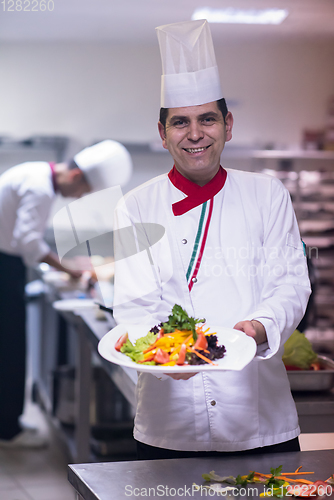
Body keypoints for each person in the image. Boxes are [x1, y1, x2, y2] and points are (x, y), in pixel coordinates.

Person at [113, 20, 311, 460]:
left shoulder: (267, 194)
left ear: (228, 124)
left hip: (260, 419)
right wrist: (167, 357)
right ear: (162, 134)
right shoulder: (135, 207)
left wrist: (261, 326)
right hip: (170, 424)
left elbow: (291, 284)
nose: (195, 133)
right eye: (180, 122)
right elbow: (134, 306)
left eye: (208, 119)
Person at [0, 140, 132, 448]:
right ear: (75, 177)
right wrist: (69, 269)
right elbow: (28, 240)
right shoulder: (41, 188)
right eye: (84, 191)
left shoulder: (34, 174)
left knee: (8, 346)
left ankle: (7, 424)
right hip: (4, 264)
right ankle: (8, 431)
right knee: (10, 347)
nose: (80, 196)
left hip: (6, 261)